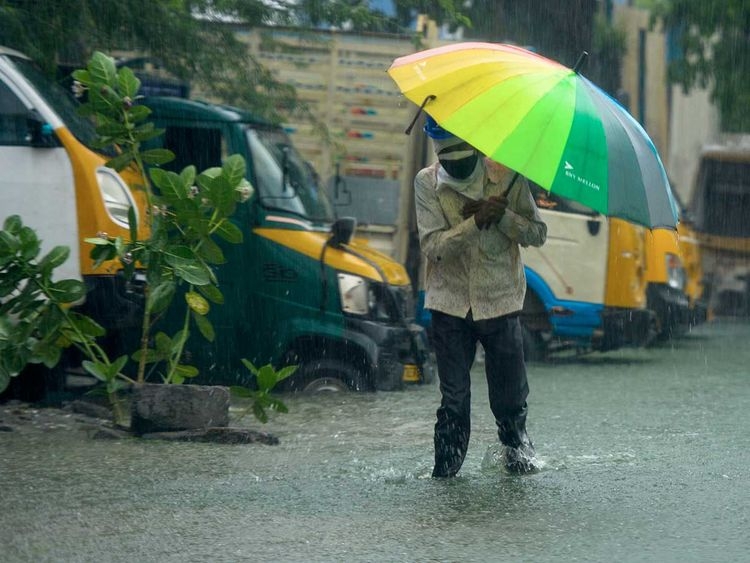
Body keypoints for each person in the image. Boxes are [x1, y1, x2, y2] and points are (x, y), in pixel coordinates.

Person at [414, 115, 547, 477]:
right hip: (449, 304)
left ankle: (518, 458)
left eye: (463, 158)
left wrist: (502, 216)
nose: (456, 165)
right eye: (448, 160)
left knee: (509, 402)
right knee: (453, 401)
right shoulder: (426, 184)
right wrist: (474, 223)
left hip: (500, 302)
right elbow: (434, 247)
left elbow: (537, 233)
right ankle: (444, 477)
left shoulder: (506, 176)